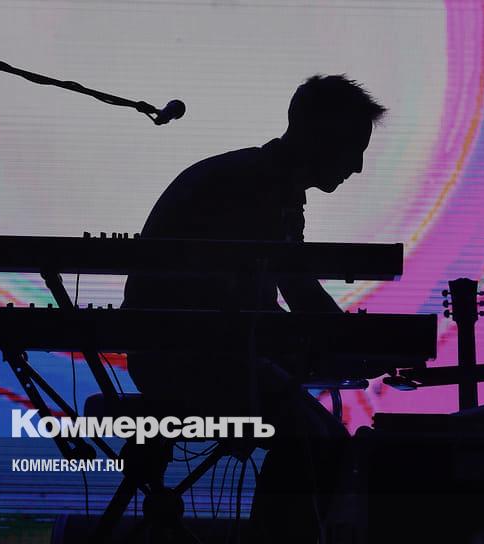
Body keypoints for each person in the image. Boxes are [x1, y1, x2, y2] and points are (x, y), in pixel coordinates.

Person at [122, 74, 387, 543]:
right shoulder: (259, 188)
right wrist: (352, 342)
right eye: (353, 148)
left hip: (185, 355)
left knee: (319, 438)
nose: (359, 166)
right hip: (191, 362)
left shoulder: (257, 181)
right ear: (320, 137)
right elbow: (294, 293)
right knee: (318, 442)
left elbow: (270, 301)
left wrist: (329, 340)